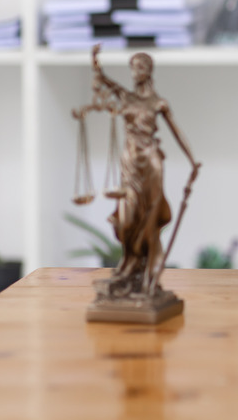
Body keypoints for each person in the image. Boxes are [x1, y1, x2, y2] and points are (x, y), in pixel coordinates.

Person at [82, 47, 201, 299]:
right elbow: (104, 83)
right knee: (126, 219)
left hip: (151, 161)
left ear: (148, 70)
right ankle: (129, 264)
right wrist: (95, 65)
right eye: (132, 67)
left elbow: (177, 132)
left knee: (149, 220)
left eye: (139, 67)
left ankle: (147, 275)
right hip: (129, 162)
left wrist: (192, 161)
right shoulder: (125, 97)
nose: (134, 72)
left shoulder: (158, 103)